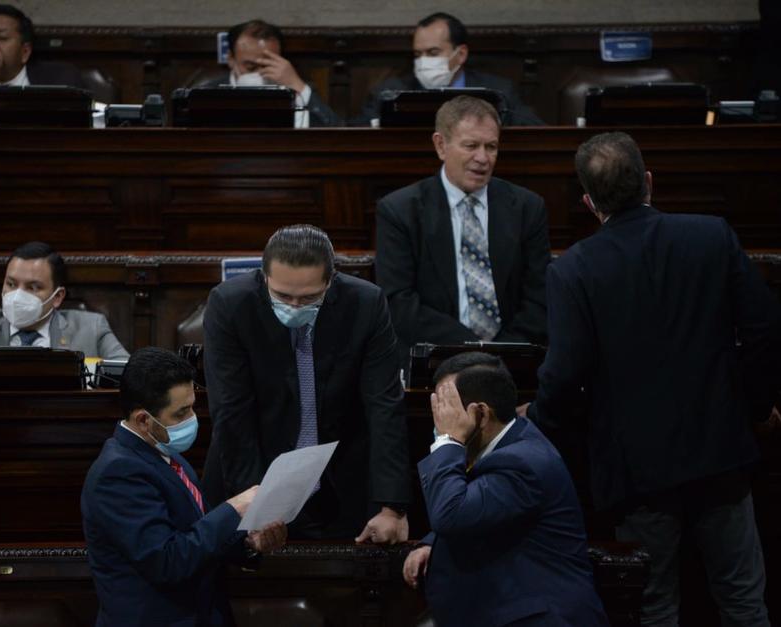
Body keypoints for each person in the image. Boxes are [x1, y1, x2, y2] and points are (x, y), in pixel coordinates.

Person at [527, 131, 781, 625]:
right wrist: (752, 409)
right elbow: (765, 329)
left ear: (588, 201)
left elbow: (565, 373)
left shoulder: (573, 270)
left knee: (654, 608)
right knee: (744, 602)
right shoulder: (712, 235)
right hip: (722, 452)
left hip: (637, 471)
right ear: (648, 181)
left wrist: (537, 421)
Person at [202, 224, 410, 542]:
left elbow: (384, 405)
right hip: (253, 475)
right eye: (283, 296)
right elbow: (232, 412)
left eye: (310, 297)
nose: (296, 307)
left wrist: (392, 507)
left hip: (342, 481)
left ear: (331, 280)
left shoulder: (365, 303)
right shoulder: (231, 305)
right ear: (264, 277)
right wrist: (255, 507)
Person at [82, 347, 287, 627]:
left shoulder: (168, 457)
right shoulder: (117, 473)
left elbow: (194, 533)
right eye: (181, 413)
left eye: (192, 406)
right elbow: (166, 561)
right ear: (144, 419)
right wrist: (234, 508)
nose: (192, 419)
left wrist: (249, 544)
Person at [404, 351, 607, 626]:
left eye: (448, 408)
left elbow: (451, 515)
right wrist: (432, 544)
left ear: (481, 413)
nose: (439, 421)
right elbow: (484, 504)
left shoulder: (522, 462)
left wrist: (448, 440)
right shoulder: (511, 439)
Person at [376, 96, 550, 363]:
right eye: (471, 146)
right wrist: (471, 350)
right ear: (440, 145)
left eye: (491, 147)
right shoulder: (400, 211)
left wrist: (502, 353)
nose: (483, 158)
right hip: (435, 357)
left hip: (513, 359)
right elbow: (399, 302)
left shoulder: (527, 207)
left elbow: (539, 299)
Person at [0, 241, 129, 381]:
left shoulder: (91, 328)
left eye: (33, 287)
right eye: (11, 284)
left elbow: (132, 376)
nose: (17, 295)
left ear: (57, 297)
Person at [353, 12, 543, 126]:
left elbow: (534, 130)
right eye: (418, 54)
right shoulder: (389, 92)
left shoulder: (498, 91)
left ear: (460, 54)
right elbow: (356, 134)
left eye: (433, 52)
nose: (423, 61)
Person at [197, 19, 342, 128]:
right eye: (250, 66)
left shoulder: (297, 91)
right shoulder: (207, 92)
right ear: (230, 59)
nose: (259, 73)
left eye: (267, 65)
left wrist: (297, 86)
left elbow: (337, 132)